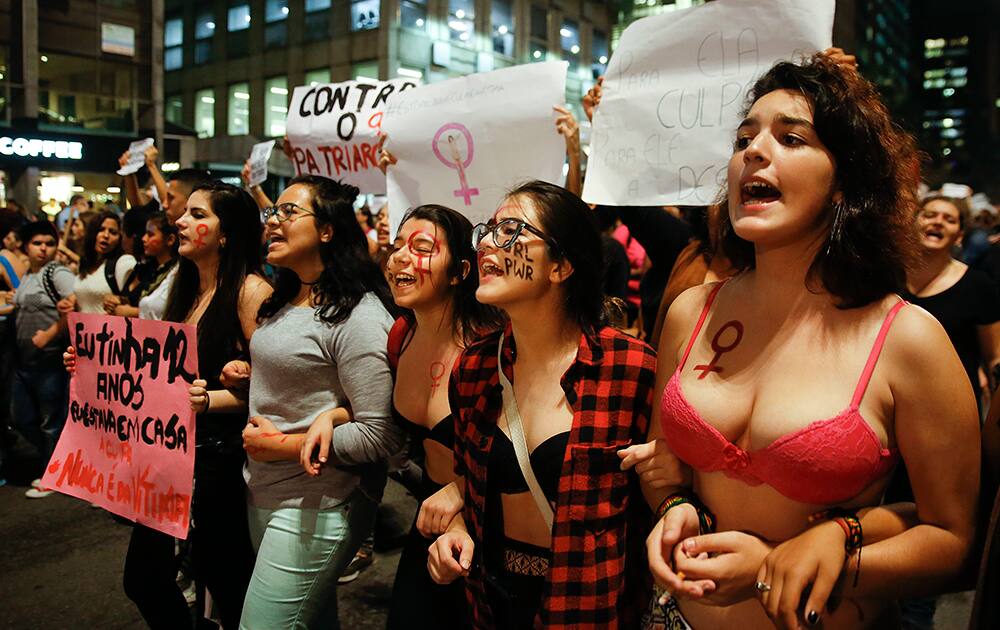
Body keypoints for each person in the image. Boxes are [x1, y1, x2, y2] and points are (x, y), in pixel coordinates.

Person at [645, 54, 979, 629]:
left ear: (845, 180)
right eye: (745, 136)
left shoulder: (906, 338)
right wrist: (673, 509)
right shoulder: (691, 312)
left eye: (791, 138)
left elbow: (950, 539)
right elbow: (666, 468)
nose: (754, 149)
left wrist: (785, 563)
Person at [427, 180, 657, 628]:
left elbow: (664, 492)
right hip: (492, 605)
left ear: (561, 266)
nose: (489, 243)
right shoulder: (474, 368)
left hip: (590, 610)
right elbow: (468, 484)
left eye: (511, 230)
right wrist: (453, 531)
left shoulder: (630, 369)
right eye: (489, 229)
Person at [67, 182, 270, 628]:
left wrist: (216, 396)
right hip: (169, 458)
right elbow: (159, 375)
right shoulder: (186, 289)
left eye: (198, 215)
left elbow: (275, 391)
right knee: (143, 578)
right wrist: (92, 367)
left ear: (226, 235)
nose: (180, 221)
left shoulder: (250, 292)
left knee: (226, 579)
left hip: (218, 465)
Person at [234, 175, 404, 629]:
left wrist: (285, 447)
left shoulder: (358, 315)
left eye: (289, 212)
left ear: (327, 230)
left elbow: (381, 430)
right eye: (272, 212)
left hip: (319, 504)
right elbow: (298, 386)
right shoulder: (282, 302)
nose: (273, 221)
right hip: (264, 490)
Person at [382, 205, 503, 629]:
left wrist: (462, 490)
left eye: (420, 248)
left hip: (491, 518)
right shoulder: (401, 334)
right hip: (430, 513)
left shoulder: (491, 348)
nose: (400, 257)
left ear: (459, 271)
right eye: (397, 246)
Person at [8, 221, 75, 498]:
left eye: (48, 242)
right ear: (26, 245)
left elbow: (74, 305)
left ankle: (54, 473)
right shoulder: (29, 273)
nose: (43, 248)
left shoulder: (56, 272)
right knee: (20, 416)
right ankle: (58, 460)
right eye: (37, 243)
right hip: (24, 360)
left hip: (48, 358)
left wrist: (48, 335)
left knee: (51, 421)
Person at [103, 212, 180, 320]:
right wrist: (117, 300)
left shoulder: (177, 271)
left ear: (170, 240)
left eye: (150, 234)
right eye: (145, 233)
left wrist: (133, 312)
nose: (144, 239)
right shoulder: (147, 268)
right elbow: (134, 299)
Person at [63, 210, 136, 315]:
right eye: (101, 230)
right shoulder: (85, 263)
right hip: (81, 329)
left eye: (113, 232)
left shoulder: (123, 263)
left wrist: (119, 302)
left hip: (108, 330)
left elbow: (134, 302)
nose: (106, 235)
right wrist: (69, 302)